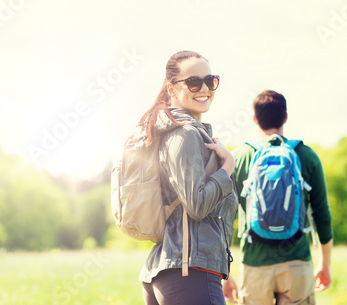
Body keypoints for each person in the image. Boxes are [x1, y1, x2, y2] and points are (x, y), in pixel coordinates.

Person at [138, 50, 238, 305]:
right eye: (193, 81)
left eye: (211, 80)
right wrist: (228, 166)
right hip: (189, 273)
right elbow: (197, 205)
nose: (204, 88)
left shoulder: (174, 132)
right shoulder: (186, 134)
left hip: (174, 271)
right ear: (171, 88)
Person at [223, 90, 333, 304]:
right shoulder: (306, 155)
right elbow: (322, 213)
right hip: (297, 262)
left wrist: (224, 273)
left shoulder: (238, 157)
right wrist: (325, 263)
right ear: (285, 117)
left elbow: (224, 219)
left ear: (255, 119)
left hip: (254, 263)